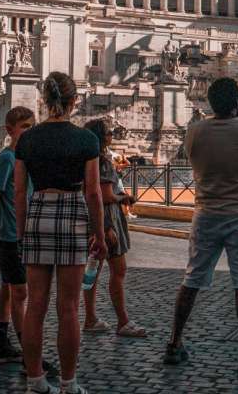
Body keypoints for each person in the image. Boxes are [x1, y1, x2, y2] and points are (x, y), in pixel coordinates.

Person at [163, 77, 238, 377]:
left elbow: (192, 160)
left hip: (205, 214)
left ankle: (174, 343)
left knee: (191, 279)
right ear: (237, 103)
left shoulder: (194, 131)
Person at [15, 72, 108, 394]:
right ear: (73, 101)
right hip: (72, 213)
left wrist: (20, 232)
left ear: (43, 100)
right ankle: (69, 383)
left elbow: (18, 192)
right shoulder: (86, 140)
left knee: (35, 304)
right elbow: (94, 193)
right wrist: (99, 233)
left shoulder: (27, 139)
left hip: (38, 210)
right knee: (68, 307)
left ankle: (35, 380)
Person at [81, 119, 147, 338]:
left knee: (92, 271)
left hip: (91, 221)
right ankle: (123, 321)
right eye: (108, 133)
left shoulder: (83, 161)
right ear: (101, 137)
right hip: (107, 221)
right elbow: (105, 196)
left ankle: (90, 318)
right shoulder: (103, 162)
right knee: (118, 271)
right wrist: (124, 197)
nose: (111, 136)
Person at [0, 106, 36, 365]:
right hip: (9, 234)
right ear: (10, 130)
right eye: (25, 127)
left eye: (32, 126)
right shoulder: (7, 158)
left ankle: (0, 343)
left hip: (19, 233)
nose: (30, 131)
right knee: (19, 293)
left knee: (8, 289)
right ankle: (29, 352)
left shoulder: (24, 156)